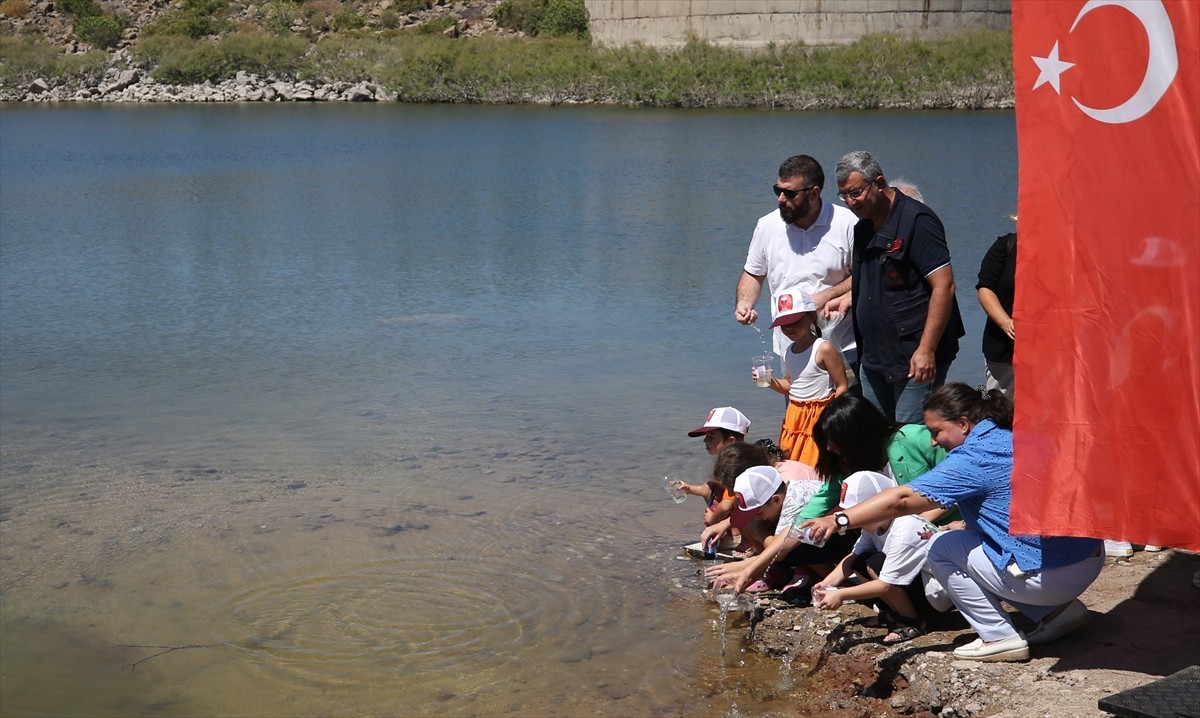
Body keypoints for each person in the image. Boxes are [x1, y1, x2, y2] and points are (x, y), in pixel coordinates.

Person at [800, 383, 1105, 663]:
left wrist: (839, 519)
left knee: (941, 548)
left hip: (1054, 573)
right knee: (975, 541)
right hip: (1088, 552)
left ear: (962, 424)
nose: (933, 442)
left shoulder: (972, 459)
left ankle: (999, 637)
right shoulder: (1011, 434)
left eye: (936, 431)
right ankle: (1057, 613)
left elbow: (902, 499)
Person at [834, 151, 965, 422]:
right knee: (877, 441)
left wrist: (927, 349)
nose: (850, 202)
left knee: (909, 441)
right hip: (873, 358)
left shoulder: (917, 221)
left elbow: (944, 287)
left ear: (879, 183)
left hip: (914, 358)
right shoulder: (862, 228)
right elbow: (868, 283)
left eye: (856, 192)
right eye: (844, 195)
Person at [735, 154, 857, 377]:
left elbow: (865, 274)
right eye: (777, 190)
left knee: (847, 410)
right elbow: (753, 274)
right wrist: (744, 304)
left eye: (789, 193)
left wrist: (826, 296)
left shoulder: (847, 223)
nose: (781, 199)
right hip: (791, 347)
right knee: (799, 411)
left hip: (844, 345)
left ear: (814, 193)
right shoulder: (767, 226)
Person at [812, 472, 943, 645]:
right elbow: (853, 557)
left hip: (937, 593)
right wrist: (827, 583)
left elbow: (885, 584)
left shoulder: (903, 529)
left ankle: (912, 620)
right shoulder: (873, 525)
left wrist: (840, 594)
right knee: (860, 561)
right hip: (915, 583)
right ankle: (895, 611)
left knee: (875, 564)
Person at [700, 463, 828, 592]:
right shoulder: (783, 493)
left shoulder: (795, 500)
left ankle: (831, 580)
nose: (757, 517)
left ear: (776, 500)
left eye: (759, 513)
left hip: (841, 540)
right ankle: (775, 572)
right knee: (752, 524)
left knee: (795, 548)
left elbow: (780, 550)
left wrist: (743, 568)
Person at [760, 285, 849, 465]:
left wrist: (832, 417)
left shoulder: (823, 348)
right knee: (793, 460)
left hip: (819, 413)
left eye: (795, 321)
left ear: (811, 316)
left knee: (817, 462)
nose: (789, 328)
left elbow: (842, 386)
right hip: (795, 415)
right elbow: (791, 386)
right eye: (784, 324)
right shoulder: (788, 351)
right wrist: (769, 381)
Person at [674, 407, 751, 526]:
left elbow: (727, 505)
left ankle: (733, 535)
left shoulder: (735, 465)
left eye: (711, 437)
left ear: (730, 441)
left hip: (747, 516)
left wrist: (712, 519)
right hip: (743, 513)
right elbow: (707, 489)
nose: (705, 441)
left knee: (714, 490)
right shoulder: (733, 458)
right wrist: (688, 488)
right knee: (710, 486)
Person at [976, 229, 1017, 397]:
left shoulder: (1063, 249)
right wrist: (1005, 322)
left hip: (1049, 352)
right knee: (1002, 413)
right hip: (1003, 350)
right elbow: (985, 288)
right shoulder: (1005, 246)